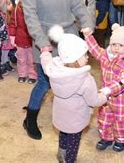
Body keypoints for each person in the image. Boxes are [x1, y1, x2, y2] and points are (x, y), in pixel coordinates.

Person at [21, 0, 93, 140]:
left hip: (68, 36)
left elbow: (77, 5)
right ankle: (30, 120)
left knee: (73, 79)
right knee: (45, 83)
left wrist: (87, 23)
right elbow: (30, 17)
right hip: (44, 39)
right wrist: (42, 43)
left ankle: (72, 116)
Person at [40, 25, 107, 163]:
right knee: (73, 142)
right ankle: (70, 160)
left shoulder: (55, 71)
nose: (87, 57)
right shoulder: (86, 80)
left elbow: (46, 63)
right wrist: (104, 95)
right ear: (74, 59)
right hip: (76, 119)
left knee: (63, 134)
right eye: (84, 55)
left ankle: (61, 154)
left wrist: (45, 52)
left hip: (61, 115)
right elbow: (94, 100)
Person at [84, 24, 124, 152]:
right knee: (105, 117)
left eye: (121, 46)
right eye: (114, 44)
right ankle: (106, 137)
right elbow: (95, 50)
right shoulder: (106, 55)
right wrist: (88, 36)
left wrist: (109, 89)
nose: (116, 48)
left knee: (121, 119)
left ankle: (121, 139)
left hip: (122, 98)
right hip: (106, 96)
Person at [9, 0, 37, 84]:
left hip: (31, 39)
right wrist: (12, 36)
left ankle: (32, 75)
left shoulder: (34, 10)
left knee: (32, 59)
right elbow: (12, 24)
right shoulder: (16, 10)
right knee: (21, 58)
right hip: (20, 38)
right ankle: (22, 74)